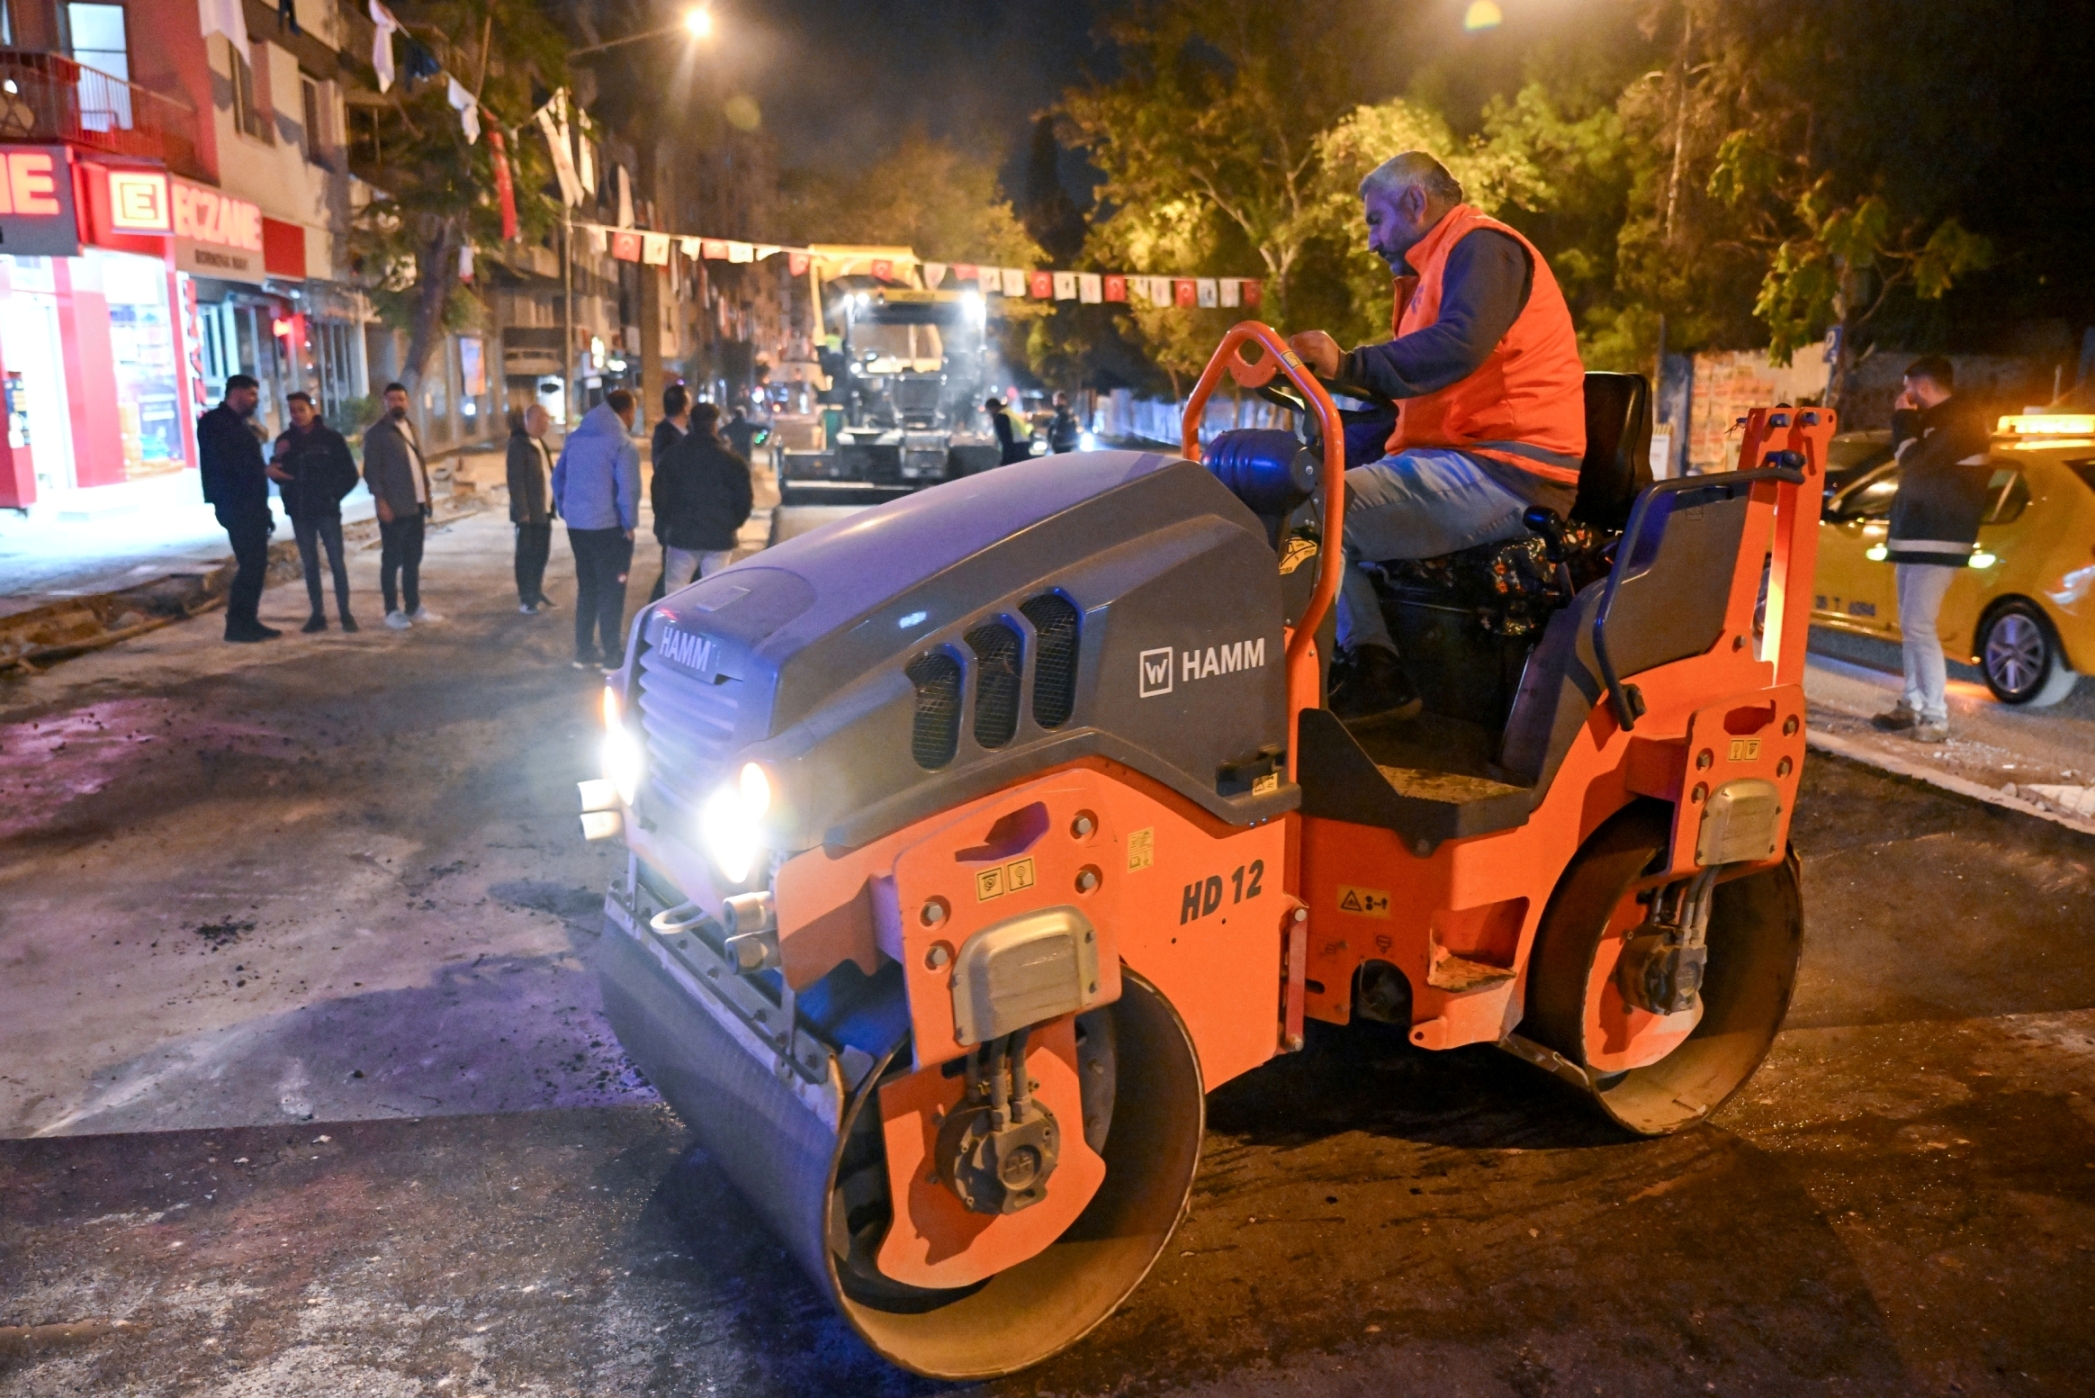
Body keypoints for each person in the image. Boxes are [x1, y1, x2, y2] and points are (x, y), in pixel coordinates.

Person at [1288, 151, 1586, 727]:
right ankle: (1345, 669)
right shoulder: (1437, 271)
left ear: (1415, 203)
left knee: (1312, 513)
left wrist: (1349, 363)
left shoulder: (1482, 247)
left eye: (1376, 221)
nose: (1372, 242)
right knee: (1298, 487)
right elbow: (1421, 402)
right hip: (1465, 461)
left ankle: (1375, 673)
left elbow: (1457, 347)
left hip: (1507, 472)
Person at [1870, 356, 1991, 744]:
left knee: (1920, 625)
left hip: (1939, 538)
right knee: (1911, 626)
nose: (1905, 397)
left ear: (1920, 386)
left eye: (1909, 388)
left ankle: (1935, 716)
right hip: (1918, 535)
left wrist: (1902, 420)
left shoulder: (1962, 421)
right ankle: (1912, 704)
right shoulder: (1938, 421)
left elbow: (1912, 463)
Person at [552, 388, 641, 670]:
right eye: (633, 412)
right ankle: (612, 655)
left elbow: (558, 479)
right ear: (625, 412)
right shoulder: (622, 443)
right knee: (612, 589)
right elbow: (628, 491)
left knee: (588, 586)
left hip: (578, 527)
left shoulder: (576, 439)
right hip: (608, 527)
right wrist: (629, 524)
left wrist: (566, 510)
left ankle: (584, 650)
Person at [197, 374, 279, 643]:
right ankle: (237, 624)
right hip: (236, 503)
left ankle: (248, 620)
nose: (255, 400)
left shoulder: (242, 424)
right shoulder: (215, 423)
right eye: (252, 394)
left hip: (253, 503)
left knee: (256, 564)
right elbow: (229, 464)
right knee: (250, 563)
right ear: (236, 393)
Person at [269, 391, 360, 633]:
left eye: (301, 409)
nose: (297, 414)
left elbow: (350, 475)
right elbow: (278, 472)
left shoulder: (331, 439)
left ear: (312, 409)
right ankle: (317, 614)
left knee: (336, 563)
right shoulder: (286, 440)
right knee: (309, 563)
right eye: (292, 410)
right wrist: (278, 457)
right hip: (300, 512)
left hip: (327, 511)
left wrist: (332, 495)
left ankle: (345, 614)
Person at [652, 401, 753, 591]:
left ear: (691, 422)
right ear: (715, 424)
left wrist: (666, 526)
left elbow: (660, 497)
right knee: (715, 593)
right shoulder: (731, 459)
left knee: (675, 592)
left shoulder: (672, 457)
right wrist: (729, 525)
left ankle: (678, 622)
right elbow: (744, 500)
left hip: (682, 536)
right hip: (718, 537)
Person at [362, 382, 439, 630]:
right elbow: (372, 473)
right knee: (391, 560)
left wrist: (426, 498)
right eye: (392, 399)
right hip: (394, 508)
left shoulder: (411, 429)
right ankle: (391, 609)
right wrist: (380, 501)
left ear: (407, 402)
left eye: (401, 399)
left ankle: (413, 606)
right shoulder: (377, 434)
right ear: (385, 402)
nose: (397, 403)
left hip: (415, 506)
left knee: (413, 559)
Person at [506, 403, 557, 614]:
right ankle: (526, 598)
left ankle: (536, 590)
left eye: (546, 419)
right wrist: (523, 511)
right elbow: (515, 480)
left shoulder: (539, 443)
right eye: (541, 419)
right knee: (526, 556)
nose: (544, 424)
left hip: (544, 511)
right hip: (529, 514)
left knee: (541, 554)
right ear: (529, 420)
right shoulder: (519, 445)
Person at [648, 384, 692, 604]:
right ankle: (655, 613)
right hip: (675, 518)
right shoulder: (668, 438)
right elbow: (666, 483)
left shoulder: (683, 433)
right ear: (684, 407)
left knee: (677, 574)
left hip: (683, 518)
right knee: (672, 575)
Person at [987, 396, 1030, 465]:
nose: (989, 414)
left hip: (1015, 448)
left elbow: (1006, 439)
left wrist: (1004, 460)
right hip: (1023, 446)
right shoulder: (1009, 413)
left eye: (989, 411)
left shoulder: (1001, 416)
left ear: (992, 408)